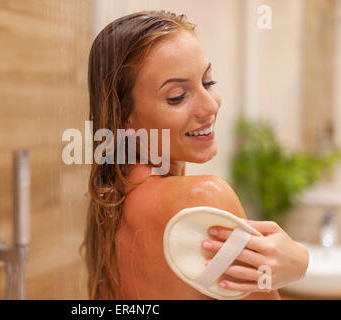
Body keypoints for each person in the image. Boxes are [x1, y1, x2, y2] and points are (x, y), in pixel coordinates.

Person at [81, 10, 309, 300]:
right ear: (125, 117)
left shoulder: (109, 203)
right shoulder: (203, 199)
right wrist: (300, 263)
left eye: (208, 82)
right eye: (177, 96)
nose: (209, 105)